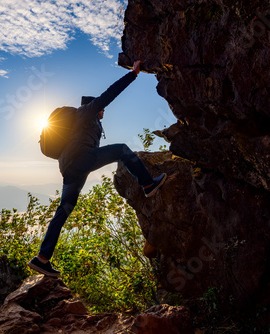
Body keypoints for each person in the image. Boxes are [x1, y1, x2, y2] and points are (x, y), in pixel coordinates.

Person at [28, 60, 167, 277]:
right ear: (96, 107)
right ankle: (148, 184)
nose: (103, 113)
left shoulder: (83, 122)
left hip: (70, 169)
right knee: (121, 149)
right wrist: (133, 74)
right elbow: (109, 94)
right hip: (80, 161)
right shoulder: (85, 112)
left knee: (64, 210)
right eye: (101, 110)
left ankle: (42, 258)